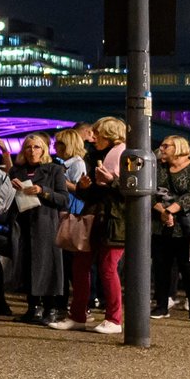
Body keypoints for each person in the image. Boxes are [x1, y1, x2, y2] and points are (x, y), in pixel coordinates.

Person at [55, 116, 129, 335]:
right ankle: (78, 315)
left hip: (115, 221)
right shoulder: (102, 155)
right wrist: (84, 188)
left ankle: (114, 319)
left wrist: (110, 182)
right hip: (98, 217)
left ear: (110, 135)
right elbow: (96, 194)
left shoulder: (124, 155)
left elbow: (132, 191)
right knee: (81, 265)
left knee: (107, 268)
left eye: (98, 133)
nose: (93, 137)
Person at [7, 133, 68, 325]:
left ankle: (51, 308)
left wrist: (43, 191)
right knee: (26, 265)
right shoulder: (17, 171)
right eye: (28, 147)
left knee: (48, 266)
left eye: (36, 147)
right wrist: (11, 188)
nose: (32, 151)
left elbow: (63, 199)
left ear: (44, 150)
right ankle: (33, 307)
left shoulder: (54, 170)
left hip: (45, 224)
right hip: (23, 223)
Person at [151, 135, 190, 321]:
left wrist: (171, 211)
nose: (162, 148)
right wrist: (162, 212)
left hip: (186, 225)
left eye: (166, 145)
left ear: (179, 148)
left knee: (189, 267)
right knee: (161, 266)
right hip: (161, 224)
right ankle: (161, 305)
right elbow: (150, 193)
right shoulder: (158, 167)